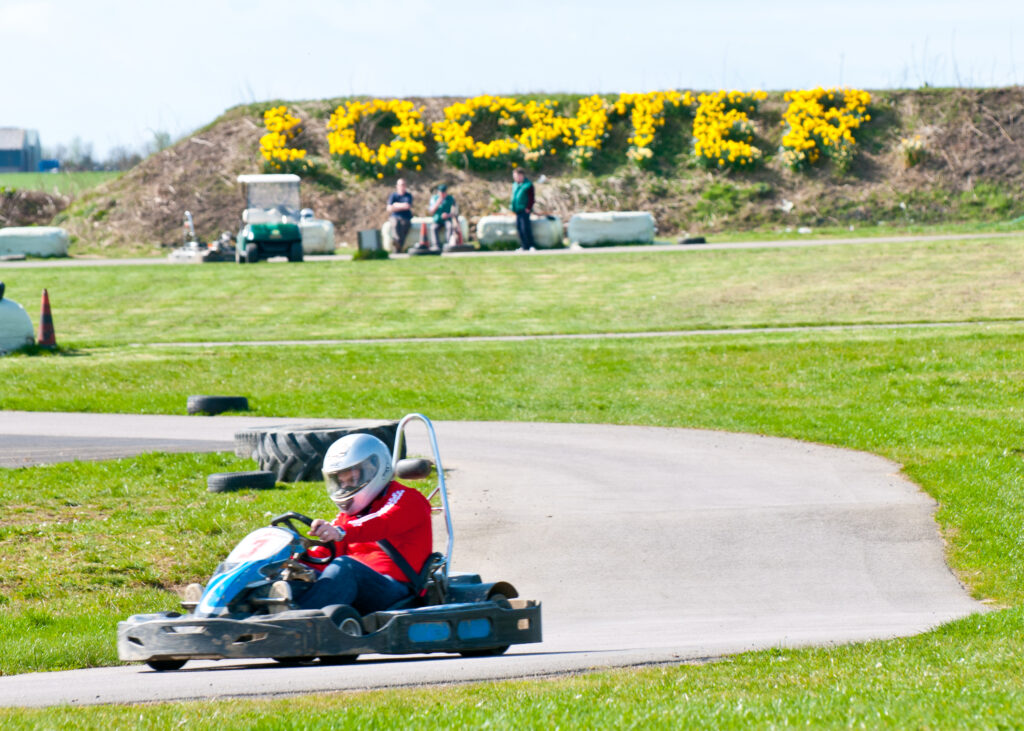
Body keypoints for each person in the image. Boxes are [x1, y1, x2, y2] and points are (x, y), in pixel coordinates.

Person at [273, 433, 433, 615]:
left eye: (352, 480)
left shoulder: (408, 499)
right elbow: (324, 556)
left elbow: (380, 522)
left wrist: (340, 531)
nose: (346, 488)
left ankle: (294, 619)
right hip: (356, 585)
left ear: (374, 468)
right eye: (341, 482)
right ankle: (258, 611)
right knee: (290, 575)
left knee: (346, 567)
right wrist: (297, 557)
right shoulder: (349, 516)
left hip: (396, 590)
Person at [510, 167, 536, 251]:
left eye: (516, 176)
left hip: (525, 210)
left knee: (525, 228)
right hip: (517, 210)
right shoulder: (515, 185)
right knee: (519, 228)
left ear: (521, 175)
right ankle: (524, 246)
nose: (514, 177)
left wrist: (528, 208)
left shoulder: (528, 185)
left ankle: (531, 245)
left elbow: (531, 198)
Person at [386, 179, 414, 253]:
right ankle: (398, 245)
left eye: (403, 185)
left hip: (405, 217)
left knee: (404, 225)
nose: (402, 186)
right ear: (397, 186)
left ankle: (397, 246)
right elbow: (389, 208)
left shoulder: (408, 196)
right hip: (395, 216)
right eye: (400, 185)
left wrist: (395, 205)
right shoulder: (393, 195)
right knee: (395, 224)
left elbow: (407, 206)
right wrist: (401, 206)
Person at [427, 183, 456, 249]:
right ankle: (436, 245)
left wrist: (448, 215)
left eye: (443, 192)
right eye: (440, 192)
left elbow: (454, 211)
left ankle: (449, 244)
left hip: (447, 219)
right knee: (433, 228)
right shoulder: (434, 198)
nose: (442, 194)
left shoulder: (450, 199)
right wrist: (437, 203)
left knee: (450, 226)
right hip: (437, 220)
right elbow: (431, 212)